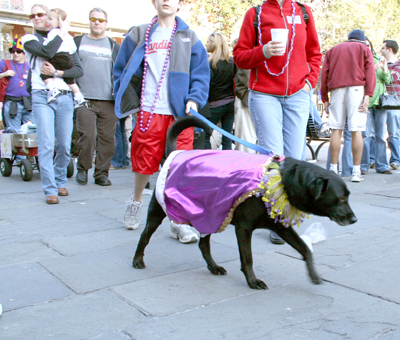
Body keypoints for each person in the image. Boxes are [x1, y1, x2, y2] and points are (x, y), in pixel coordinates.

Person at [113, 0, 209, 242]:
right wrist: (130, 102)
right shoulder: (138, 33)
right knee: (143, 163)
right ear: (154, 2)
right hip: (148, 111)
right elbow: (121, 70)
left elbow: (200, 74)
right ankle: (136, 200)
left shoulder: (189, 36)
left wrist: (194, 100)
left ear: (180, 3)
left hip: (179, 115)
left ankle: (178, 221)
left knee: (180, 168)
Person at [233, 0, 321, 245]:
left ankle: (289, 213)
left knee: (295, 159)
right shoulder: (255, 13)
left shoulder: (303, 12)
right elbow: (239, 57)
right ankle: (277, 220)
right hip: (264, 94)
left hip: (298, 94)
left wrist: (308, 83)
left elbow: (314, 53)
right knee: (275, 158)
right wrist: (263, 51)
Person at [22, 4, 83, 204]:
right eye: (33, 15)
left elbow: (78, 70)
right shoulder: (30, 39)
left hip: (65, 95)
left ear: (49, 17)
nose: (37, 18)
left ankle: (60, 181)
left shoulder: (67, 41)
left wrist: (57, 73)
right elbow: (48, 51)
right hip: (41, 95)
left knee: (65, 144)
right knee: (46, 144)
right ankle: (50, 189)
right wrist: (62, 32)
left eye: (41, 14)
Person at [320, 29, 376, 183]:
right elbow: (370, 72)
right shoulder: (364, 49)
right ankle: (356, 172)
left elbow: (324, 73)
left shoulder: (333, 50)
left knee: (336, 129)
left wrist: (324, 97)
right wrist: (368, 94)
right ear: (362, 40)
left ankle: (333, 168)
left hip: (337, 90)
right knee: (356, 130)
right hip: (357, 89)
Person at [74, 8, 120, 186]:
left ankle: (101, 173)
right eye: (94, 19)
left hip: (108, 99)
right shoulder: (78, 41)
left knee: (108, 139)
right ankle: (83, 168)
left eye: (101, 20)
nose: (97, 22)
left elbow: (120, 71)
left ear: (106, 23)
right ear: (89, 21)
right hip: (85, 98)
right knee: (87, 135)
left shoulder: (113, 45)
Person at [41, 8, 86, 108]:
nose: (47, 21)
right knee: (70, 80)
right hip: (68, 58)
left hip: (58, 56)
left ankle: (51, 89)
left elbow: (48, 48)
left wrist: (43, 45)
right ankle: (78, 96)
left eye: (50, 19)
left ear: (59, 21)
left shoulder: (53, 33)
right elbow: (73, 48)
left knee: (44, 74)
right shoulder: (69, 35)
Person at [0, 35, 33, 165]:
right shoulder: (5, 64)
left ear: (24, 53)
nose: (15, 54)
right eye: (12, 51)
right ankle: (18, 159)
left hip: (28, 103)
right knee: (14, 132)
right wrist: (4, 74)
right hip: (12, 103)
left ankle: (29, 156)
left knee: (30, 131)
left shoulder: (29, 65)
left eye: (18, 51)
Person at [361, 38, 392, 175]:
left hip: (380, 103)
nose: (366, 47)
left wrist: (385, 68)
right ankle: (363, 165)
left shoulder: (377, 58)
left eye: (368, 45)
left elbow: (388, 80)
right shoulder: (360, 60)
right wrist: (375, 67)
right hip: (366, 102)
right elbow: (362, 76)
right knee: (365, 135)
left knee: (380, 135)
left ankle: (382, 165)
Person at [204, 32, 236, 150]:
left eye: (208, 42)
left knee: (205, 135)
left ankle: (207, 161)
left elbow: (207, 85)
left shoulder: (210, 63)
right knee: (227, 136)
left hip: (215, 105)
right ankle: (227, 164)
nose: (206, 44)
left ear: (214, 44)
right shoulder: (231, 62)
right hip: (230, 103)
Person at [380, 39, 400, 171]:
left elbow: (394, 79)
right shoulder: (379, 63)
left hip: (394, 103)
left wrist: (384, 69)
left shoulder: (398, 65)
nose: (380, 50)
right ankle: (376, 160)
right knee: (378, 133)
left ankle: (395, 160)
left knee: (393, 133)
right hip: (380, 102)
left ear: (389, 50)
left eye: (382, 48)